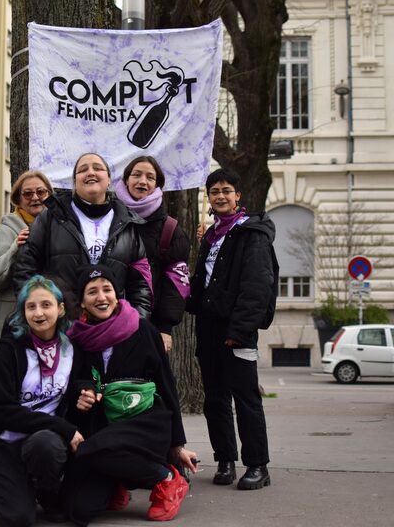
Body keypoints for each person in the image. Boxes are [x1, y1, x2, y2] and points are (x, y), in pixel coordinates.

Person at [62, 265, 198, 525]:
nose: (101, 297)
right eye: (92, 292)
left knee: (91, 451)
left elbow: (166, 384)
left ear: (117, 294)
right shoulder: (76, 338)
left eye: (107, 289)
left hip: (144, 421)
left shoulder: (143, 329)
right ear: (82, 301)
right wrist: (83, 391)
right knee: (76, 511)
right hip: (101, 426)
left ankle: (167, 478)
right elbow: (74, 381)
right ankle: (116, 481)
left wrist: (176, 445)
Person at [187, 168, 278, 490]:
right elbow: (207, 285)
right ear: (209, 198)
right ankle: (225, 461)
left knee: (246, 399)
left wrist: (239, 331)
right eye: (214, 191)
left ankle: (257, 466)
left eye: (227, 190)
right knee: (215, 399)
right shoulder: (212, 237)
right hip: (209, 329)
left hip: (236, 331)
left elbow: (257, 287)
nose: (221, 196)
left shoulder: (251, 234)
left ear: (237, 195)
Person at [0, 275, 84, 526]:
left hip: (42, 441)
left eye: (46, 305)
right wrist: (63, 427)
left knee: (47, 445)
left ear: (61, 308)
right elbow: (3, 410)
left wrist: (86, 392)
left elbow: (78, 388)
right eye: (31, 306)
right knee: (17, 518)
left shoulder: (72, 349)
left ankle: (46, 491)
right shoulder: (8, 350)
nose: (39, 313)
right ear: (23, 312)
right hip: (4, 440)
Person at [14, 153, 152, 319]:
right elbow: (25, 268)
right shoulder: (51, 216)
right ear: (74, 182)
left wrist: (137, 323)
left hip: (113, 329)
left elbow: (140, 285)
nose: (91, 172)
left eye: (98, 168)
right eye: (83, 170)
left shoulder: (128, 222)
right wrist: (38, 315)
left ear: (109, 179)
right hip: (62, 327)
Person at [114, 156, 190, 352]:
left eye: (150, 177)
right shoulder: (107, 219)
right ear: (126, 180)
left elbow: (176, 283)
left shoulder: (170, 229)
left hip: (151, 326)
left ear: (157, 185)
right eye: (136, 175)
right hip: (107, 318)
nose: (142, 181)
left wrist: (165, 327)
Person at [0, 170, 54, 350]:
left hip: (49, 319)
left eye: (41, 192)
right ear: (18, 199)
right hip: (11, 317)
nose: (35, 197)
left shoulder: (59, 228)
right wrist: (15, 248)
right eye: (27, 193)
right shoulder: (4, 231)